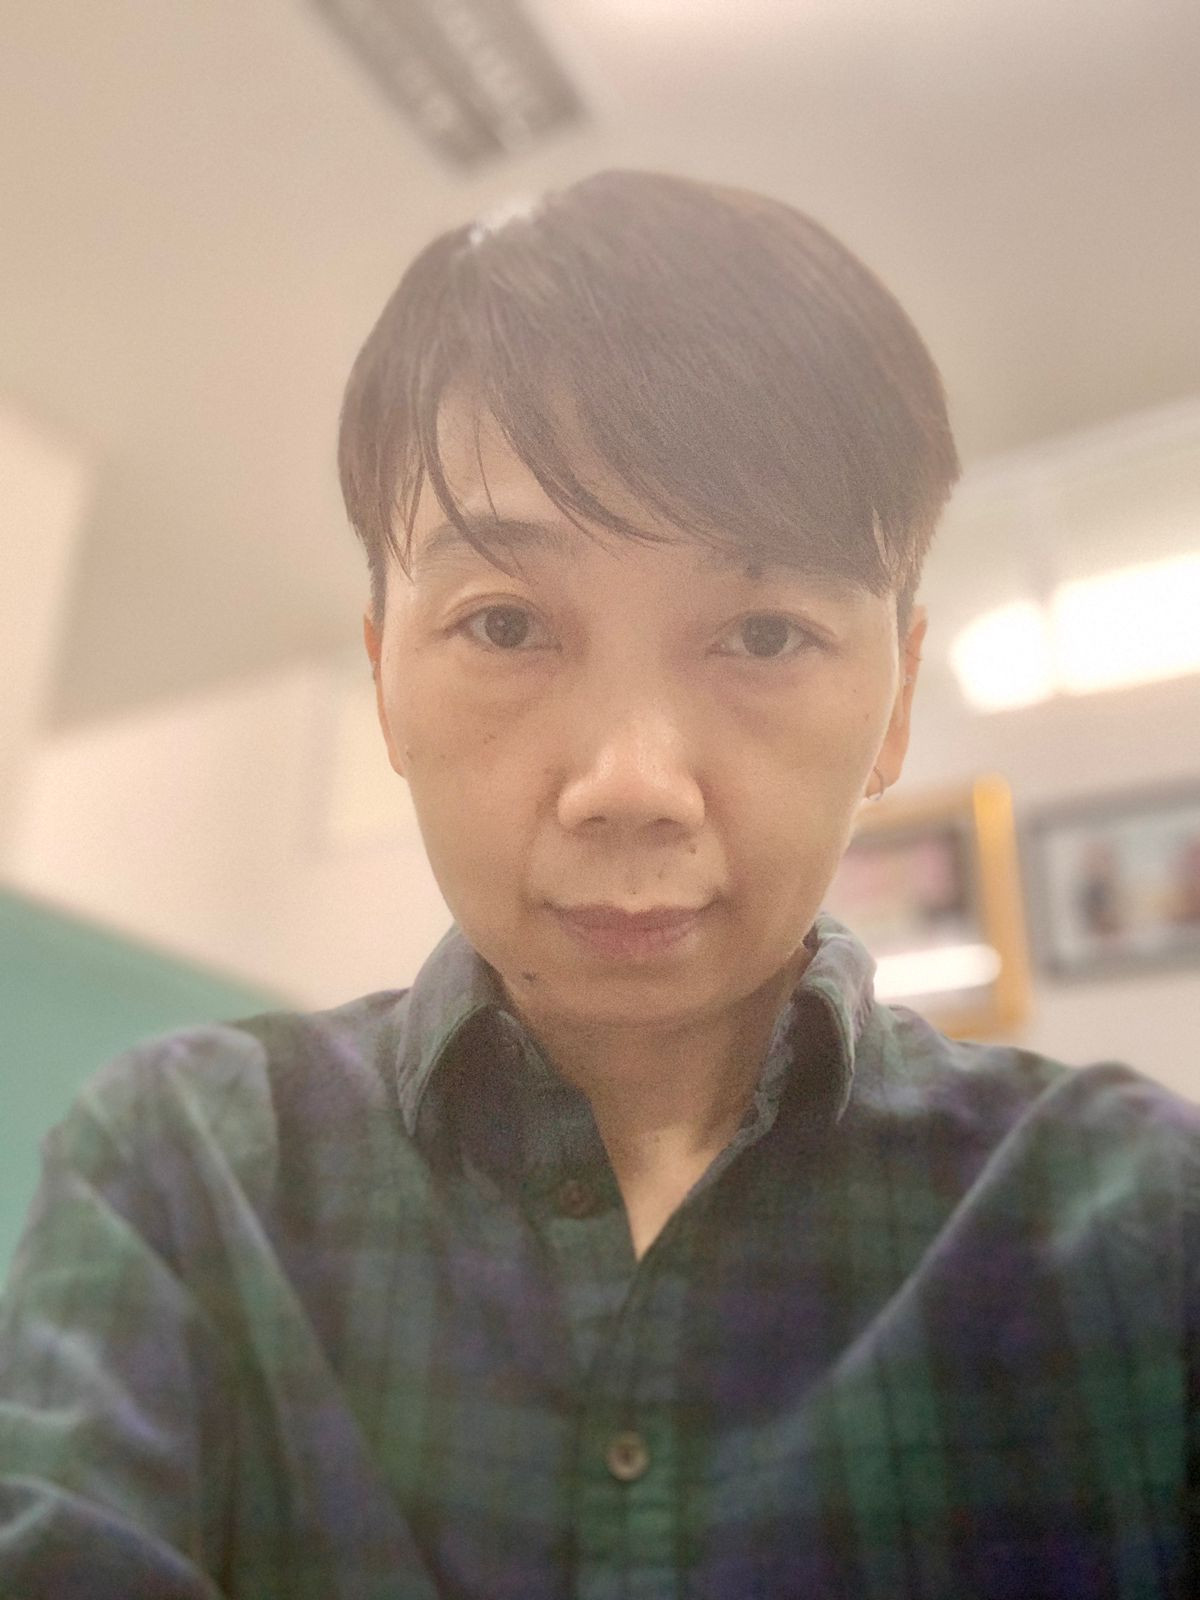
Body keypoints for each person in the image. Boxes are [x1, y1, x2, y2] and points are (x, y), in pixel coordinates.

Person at [1, 170, 1198, 1600]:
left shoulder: (1139, 1225)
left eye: (765, 633)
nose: (631, 783)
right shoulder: (183, 1174)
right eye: (506, 623)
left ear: (895, 701)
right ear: (384, 678)